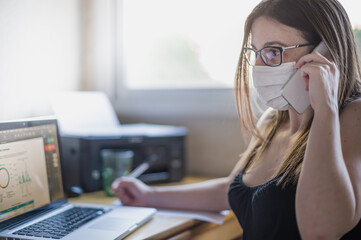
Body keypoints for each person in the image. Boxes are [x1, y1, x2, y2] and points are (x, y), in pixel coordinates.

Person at [111, 0, 361, 239]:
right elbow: (230, 190)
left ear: (325, 52)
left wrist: (325, 107)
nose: (259, 66)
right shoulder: (273, 121)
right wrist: (148, 195)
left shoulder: (353, 116)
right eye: (256, 52)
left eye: (274, 52)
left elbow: (320, 232)